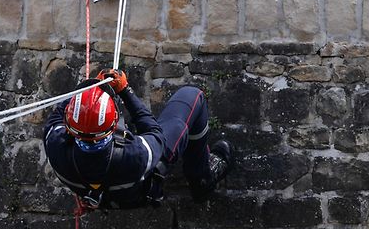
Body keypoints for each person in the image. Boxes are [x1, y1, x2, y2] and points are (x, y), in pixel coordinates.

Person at [44, 69, 234, 209]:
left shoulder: (55, 145)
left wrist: (86, 93)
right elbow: (154, 133)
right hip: (137, 189)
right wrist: (125, 91)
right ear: (113, 124)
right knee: (192, 96)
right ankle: (202, 179)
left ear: (69, 127)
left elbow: (57, 115)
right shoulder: (134, 154)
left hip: (100, 192)